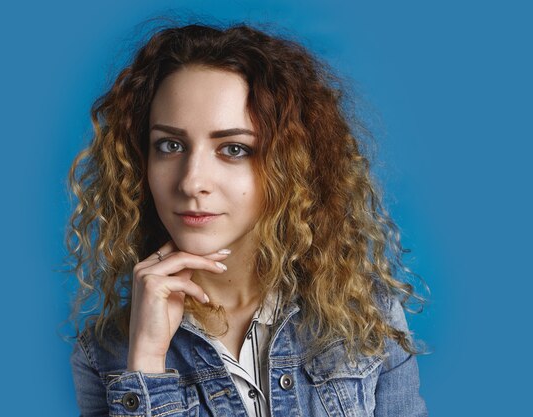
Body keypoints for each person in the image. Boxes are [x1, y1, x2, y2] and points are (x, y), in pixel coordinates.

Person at [66, 22, 428, 417]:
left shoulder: (366, 318)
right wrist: (148, 365)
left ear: (288, 165)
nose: (192, 181)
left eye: (234, 149)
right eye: (169, 146)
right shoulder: (106, 355)